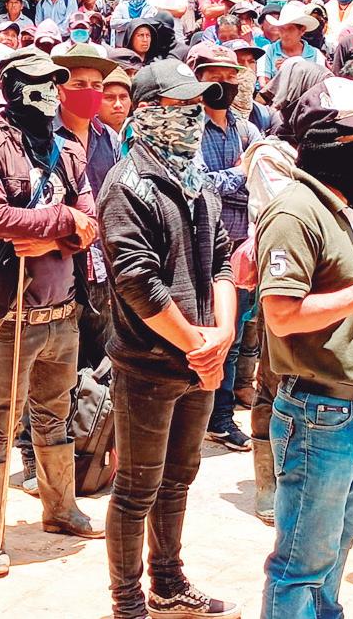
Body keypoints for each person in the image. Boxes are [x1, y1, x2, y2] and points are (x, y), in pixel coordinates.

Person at [255, 75, 353, 618]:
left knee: (335, 549)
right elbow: (281, 315)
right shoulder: (295, 212)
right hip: (318, 411)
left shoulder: (344, 210)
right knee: (303, 560)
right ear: (326, 143)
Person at [98, 58, 238, 619]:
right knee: (136, 489)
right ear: (149, 112)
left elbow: (223, 259)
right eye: (181, 107)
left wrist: (222, 334)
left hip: (200, 361)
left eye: (196, 107)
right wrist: (199, 346)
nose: (193, 117)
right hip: (149, 364)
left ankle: (168, 581)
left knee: (179, 479)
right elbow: (138, 281)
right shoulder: (126, 185)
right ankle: (128, 602)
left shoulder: (197, 180)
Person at [0, 47, 104, 577]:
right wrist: (63, 221)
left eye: (54, 84)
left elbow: (91, 221)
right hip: (11, 316)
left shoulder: (68, 150)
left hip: (63, 312)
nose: (49, 94)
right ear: (14, 88)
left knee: (54, 415)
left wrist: (53, 235)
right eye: (38, 84)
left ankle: (60, 508)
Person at [186, 42, 261, 451]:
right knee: (201, 331)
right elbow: (199, 185)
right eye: (215, 76)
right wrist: (240, 174)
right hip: (201, 246)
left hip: (241, 247)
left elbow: (264, 175)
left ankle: (220, 416)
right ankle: (197, 413)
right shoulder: (189, 128)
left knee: (231, 336)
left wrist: (235, 178)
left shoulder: (246, 129)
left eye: (231, 77)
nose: (225, 84)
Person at [53, 44, 120, 370]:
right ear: (59, 90)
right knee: (60, 366)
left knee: (104, 364)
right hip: (60, 266)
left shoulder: (110, 139)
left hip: (105, 267)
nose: (90, 92)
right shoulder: (45, 136)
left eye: (96, 85)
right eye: (79, 84)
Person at [259, 2, 326, 83]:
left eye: (290, 29)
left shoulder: (316, 55)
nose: (285, 34)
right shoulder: (267, 51)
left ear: (302, 30)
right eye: (282, 29)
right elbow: (263, 83)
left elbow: (320, 83)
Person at [100, 66, 132, 132]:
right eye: (109, 98)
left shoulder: (141, 133)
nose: (118, 105)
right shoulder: (87, 134)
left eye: (123, 97)